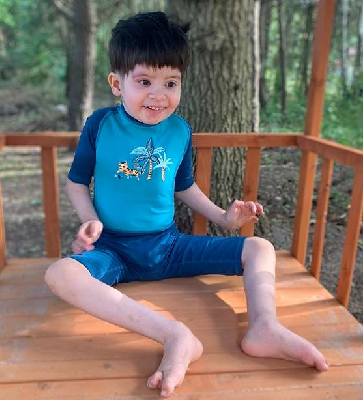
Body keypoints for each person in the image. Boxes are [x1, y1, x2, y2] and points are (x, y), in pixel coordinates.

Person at [44, 11, 329, 398]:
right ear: (116, 83)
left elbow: (185, 187)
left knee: (260, 247)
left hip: (169, 247)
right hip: (113, 250)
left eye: (170, 83)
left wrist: (224, 218)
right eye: (144, 81)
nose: (158, 95)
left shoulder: (179, 130)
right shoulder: (100, 125)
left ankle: (265, 327)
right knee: (60, 274)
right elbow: (76, 182)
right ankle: (174, 334)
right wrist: (90, 221)